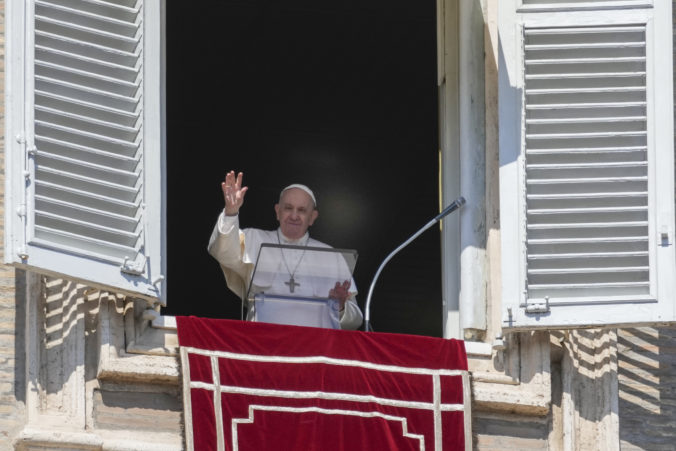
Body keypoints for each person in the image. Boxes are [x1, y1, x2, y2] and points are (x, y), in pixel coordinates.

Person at [208, 171, 363, 330]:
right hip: (263, 344)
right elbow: (222, 252)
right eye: (288, 208)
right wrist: (230, 213)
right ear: (277, 211)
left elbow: (356, 321)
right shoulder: (254, 239)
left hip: (315, 350)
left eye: (302, 210)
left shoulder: (332, 256)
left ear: (312, 217)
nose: (294, 216)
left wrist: (340, 307)